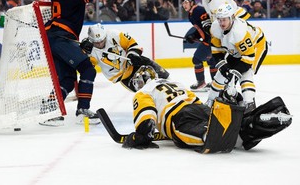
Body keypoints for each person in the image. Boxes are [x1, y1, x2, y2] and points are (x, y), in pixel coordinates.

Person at [121, 66, 292, 152]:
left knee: (211, 135)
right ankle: (251, 120)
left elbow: (146, 114)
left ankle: (242, 123)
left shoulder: (143, 92)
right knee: (227, 126)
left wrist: (142, 136)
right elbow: (195, 100)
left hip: (178, 117)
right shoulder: (175, 83)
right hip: (198, 107)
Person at [42, 0, 105, 126]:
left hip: (53, 37)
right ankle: (83, 110)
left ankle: (49, 110)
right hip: (62, 37)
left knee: (67, 80)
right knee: (87, 69)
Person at [205, 3, 268, 113]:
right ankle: (210, 101)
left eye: (224, 20)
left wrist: (236, 72)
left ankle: (249, 104)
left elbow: (248, 57)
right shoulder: (215, 27)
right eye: (219, 19)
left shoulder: (239, 32)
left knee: (246, 74)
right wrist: (222, 65)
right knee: (221, 74)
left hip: (255, 46)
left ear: (232, 18)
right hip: (236, 49)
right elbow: (216, 49)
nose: (221, 23)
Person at [80, 23, 169, 92]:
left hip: (133, 63)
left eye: (102, 41)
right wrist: (83, 53)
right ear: (91, 40)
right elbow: (88, 67)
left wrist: (132, 54)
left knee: (163, 77)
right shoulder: (90, 49)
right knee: (146, 90)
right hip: (122, 75)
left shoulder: (114, 34)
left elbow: (131, 43)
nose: (99, 44)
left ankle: (171, 85)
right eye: (96, 43)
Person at [181, 0, 217, 92]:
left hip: (211, 40)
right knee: (212, 61)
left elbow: (208, 26)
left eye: (186, 2)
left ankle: (201, 82)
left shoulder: (199, 10)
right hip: (210, 40)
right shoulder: (191, 14)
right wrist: (194, 36)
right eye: (183, 3)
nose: (184, 5)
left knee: (196, 59)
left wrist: (208, 41)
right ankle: (215, 83)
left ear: (192, 2)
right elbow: (201, 28)